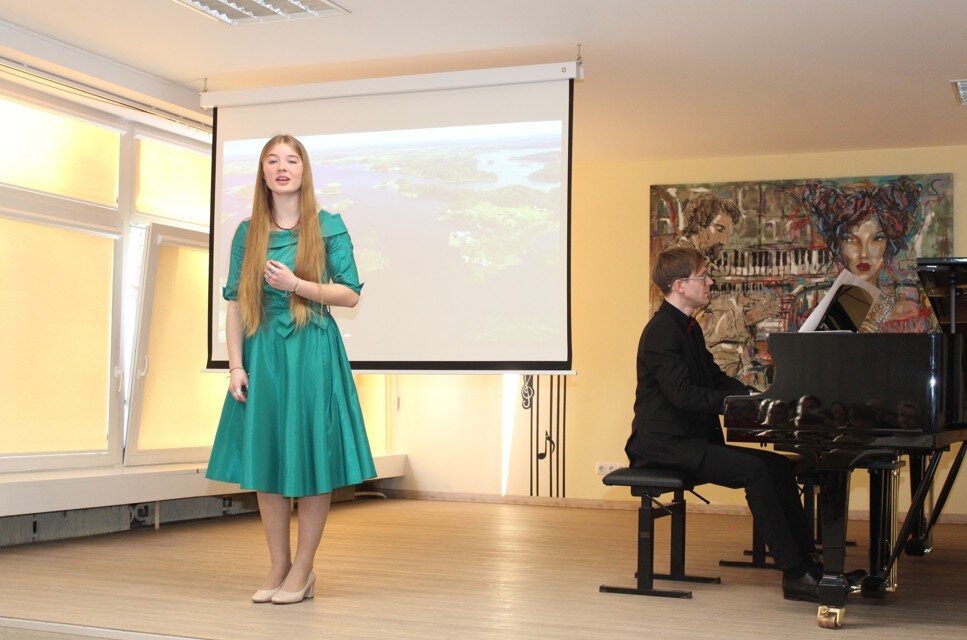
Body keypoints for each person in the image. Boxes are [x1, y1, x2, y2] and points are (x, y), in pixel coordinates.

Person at [206, 134, 376, 605]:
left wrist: (298, 284)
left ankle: (304, 568)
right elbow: (236, 303)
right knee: (269, 461)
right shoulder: (248, 233)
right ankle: (278, 565)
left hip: (311, 350)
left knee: (312, 460)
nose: (282, 168)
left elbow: (350, 293)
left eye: (292, 160)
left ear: (305, 169)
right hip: (264, 354)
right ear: (263, 172)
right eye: (272, 160)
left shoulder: (328, 225)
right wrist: (235, 364)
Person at [625, 245, 820, 601]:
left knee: (778, 466)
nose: (710, 282)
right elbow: (683, 395)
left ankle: (809, 562)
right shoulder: (660, 333)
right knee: (756, 472)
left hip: (689, 441)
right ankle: (794, 574)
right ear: (680, 285)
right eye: (703, 276)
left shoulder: (688, 329)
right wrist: (737, 403)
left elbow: (713, 378)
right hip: (664, 446)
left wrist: (754, 396)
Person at [790, 179, 937, 332]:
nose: (864, 254)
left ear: (888, 243)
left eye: (876, 239)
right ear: (839, 245)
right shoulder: (817, 316)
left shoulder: (908, 313)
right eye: (850, 240)